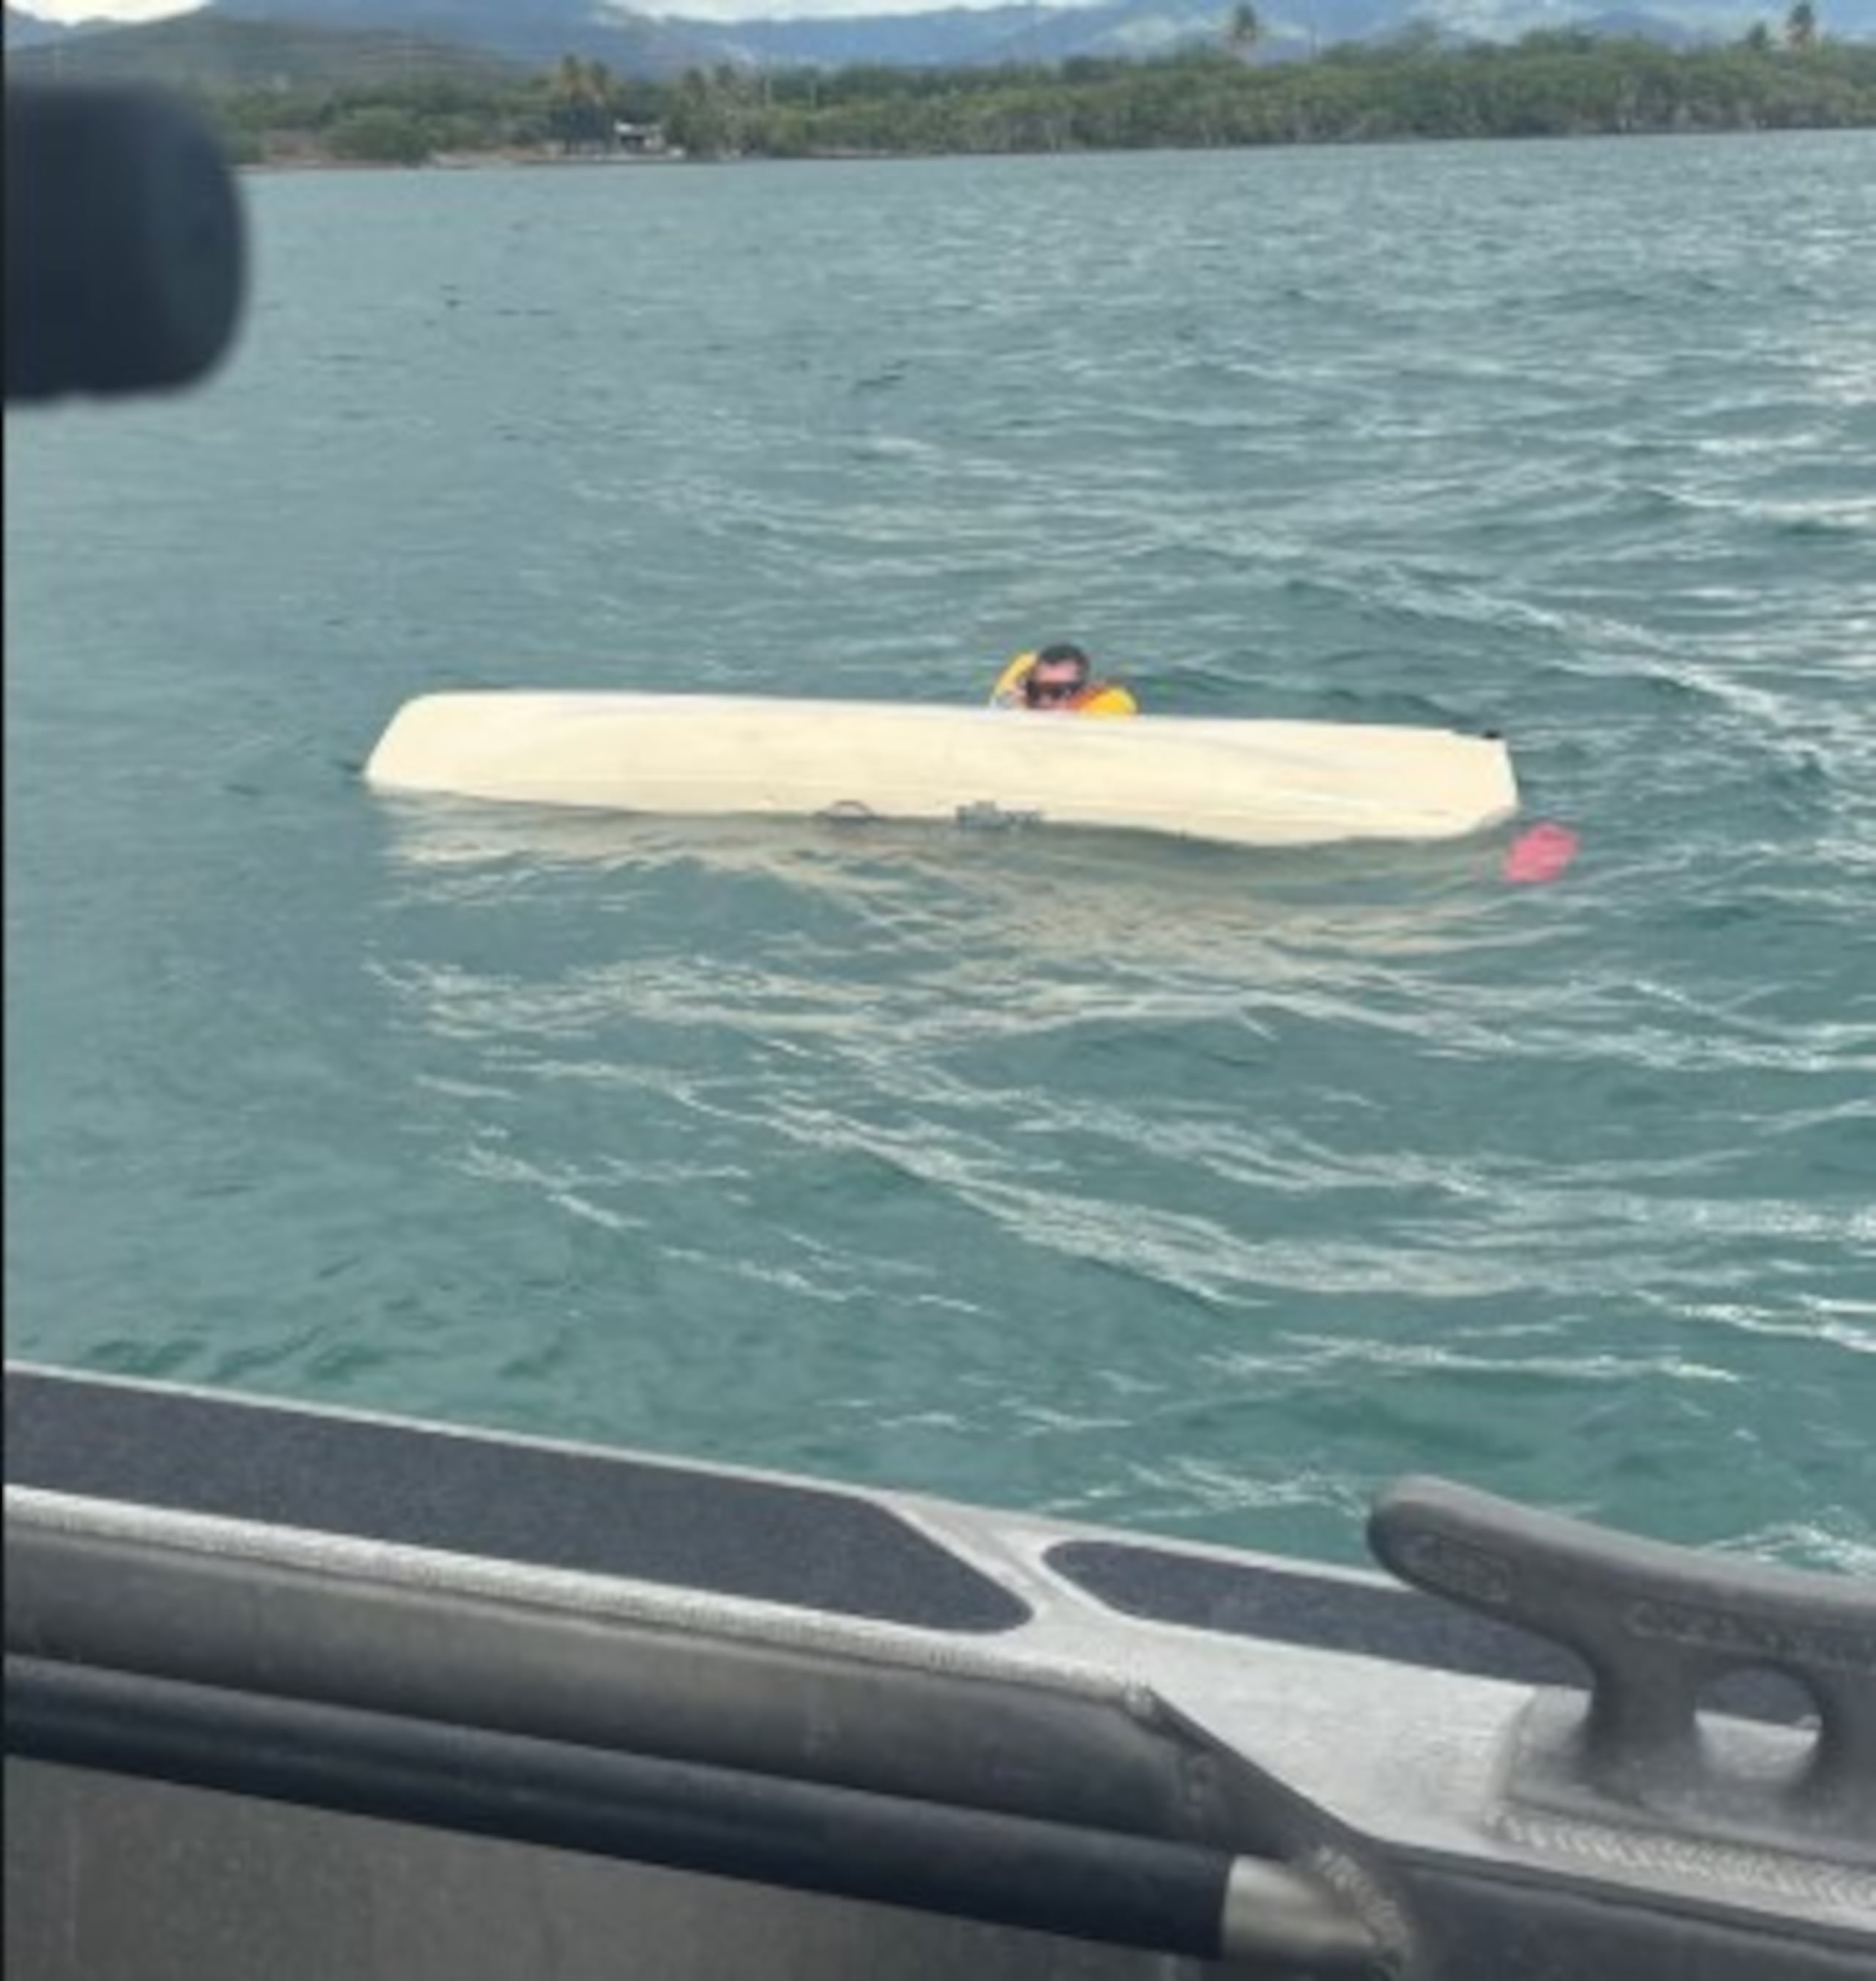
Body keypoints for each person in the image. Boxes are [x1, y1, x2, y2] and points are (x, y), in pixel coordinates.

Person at [989, 643, 1139, 717]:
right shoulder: (1016, 695)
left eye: (1056, 692)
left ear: (1081, 691)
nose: (1044, 701)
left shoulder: (1109, 705)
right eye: (1036, 690)